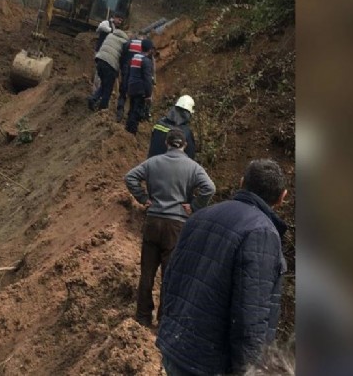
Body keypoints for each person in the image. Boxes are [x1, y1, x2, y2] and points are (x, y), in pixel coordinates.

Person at [157, 159, 289, 376]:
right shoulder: (261, 233)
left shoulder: (199, 216)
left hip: (176, 349)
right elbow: (251, 319)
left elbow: (170, 279)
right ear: (282, 197)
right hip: (209, 364)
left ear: (241, 182)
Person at [124, 128, 216, 328]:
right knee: (170, 274)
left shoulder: (152, 163)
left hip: (153, 221)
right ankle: (164, 319)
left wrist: (143, 198)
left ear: (167, 143)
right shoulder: (193, 167)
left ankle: (142, 317)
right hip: (176, 226)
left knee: (147, 272)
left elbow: (130, 177)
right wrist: (195, 206)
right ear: (184, 145)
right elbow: (210, 188)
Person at [87, 28, 128, 111]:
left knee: (104, 85)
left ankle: (93, 98)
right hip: (110, 64)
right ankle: (102, 108)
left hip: (99, 60)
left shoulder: (111, 35)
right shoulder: (124, 42)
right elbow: (123, 58)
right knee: (108, 89)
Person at [148, 95, 196, 160]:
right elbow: (190, 156)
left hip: (152, 164)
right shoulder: (185, 132)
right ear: (188, 113)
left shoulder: (159, 123)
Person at [125, 39, 155, 134]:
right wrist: (148, 95)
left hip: (131, 87)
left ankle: (127, 129)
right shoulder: (146, 61)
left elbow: (128, 73)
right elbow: (147, 79)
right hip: (140, 89)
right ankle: (131, 133)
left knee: (132, 109)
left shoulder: (134, 58)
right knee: (137, 111)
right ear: (150, 50)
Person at [116, 36, 148, 122]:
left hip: (126, 70)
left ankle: (119, 112)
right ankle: (131, 116)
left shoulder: (129, 43)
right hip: (135, 75)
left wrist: (122, 69)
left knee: (123, 92)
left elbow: (122, 57)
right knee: (134, 97)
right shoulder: (145, 47)